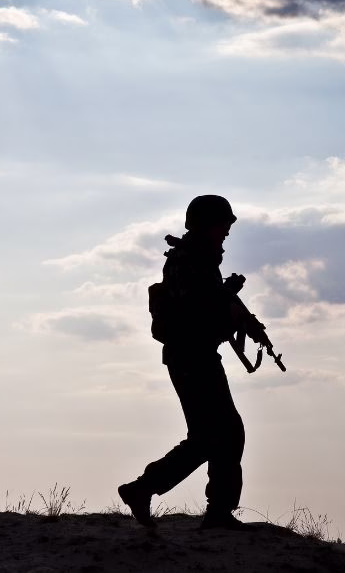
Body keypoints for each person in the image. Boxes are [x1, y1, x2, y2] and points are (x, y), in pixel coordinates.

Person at [118, 195, 268, 532]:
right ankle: (147, 490)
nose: (228, 230)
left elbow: (209, 304)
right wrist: (226, 298)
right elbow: (196, 309)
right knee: (214, 435)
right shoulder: (189, 260)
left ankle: (213, 511)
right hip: (190, 356)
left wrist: (240, 313)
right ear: (205, 224)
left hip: (198, 355)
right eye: (223, 224)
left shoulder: (201, 259)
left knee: (223, 433)